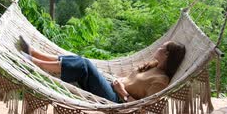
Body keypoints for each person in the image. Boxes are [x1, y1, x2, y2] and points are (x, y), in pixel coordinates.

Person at [17, 36, 186, 103]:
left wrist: (122, 92)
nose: (158, 47)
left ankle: (36, 62)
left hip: (118, 101)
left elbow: (144, 107)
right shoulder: (153, 66)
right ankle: (35, 54)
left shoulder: (161, 81)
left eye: (162, 47)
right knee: (81, 61)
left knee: (84, 65)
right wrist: (117, 81)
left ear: (166, 55)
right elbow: (131, 81)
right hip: (112, 86)